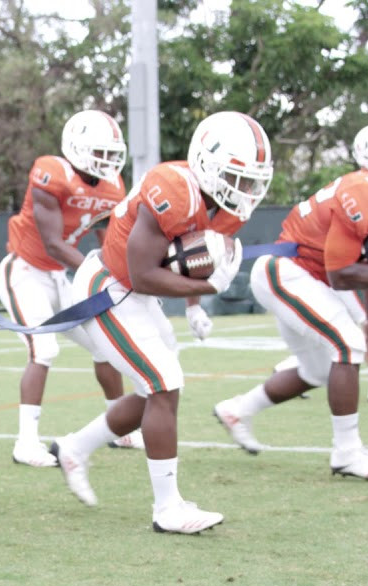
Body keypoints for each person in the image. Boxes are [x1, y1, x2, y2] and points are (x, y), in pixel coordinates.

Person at [49, 111, 267, 534]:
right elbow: (144, 270)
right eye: (236, 177)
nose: (244, 190)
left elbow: (188, 263)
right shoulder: (172, 188)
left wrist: (194, 306)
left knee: (157, 388)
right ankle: (168, 509)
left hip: (138, 293)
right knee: (163, 383)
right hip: (109, 288)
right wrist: (206, 291)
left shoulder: (226, 206)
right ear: (206, 163)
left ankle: (75, 448)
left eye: (251, 180)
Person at [213, 146, 368, 480]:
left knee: (317, 371)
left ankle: (237, 410)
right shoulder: (363, 197)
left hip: (306, 278)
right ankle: (347, 454)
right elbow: (341, 274)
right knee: (347, 346)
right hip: (287, 271)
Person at [0, 109, 144, 468]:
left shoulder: (112, 186)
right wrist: (99, 271)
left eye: (111, 154)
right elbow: (51, 243)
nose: (106, 161)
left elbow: (109, 237)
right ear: (75, 147)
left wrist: (124, 267)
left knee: (104, 346)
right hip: (24, 271)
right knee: (43, 349)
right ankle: (26, 442)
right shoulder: (52, 172)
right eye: (99, 152)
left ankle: (118, 427)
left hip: (59, 278)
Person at [266, 124, 368, 402]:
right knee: (352, 329)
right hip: (324, 266)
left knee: (359, 323)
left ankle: (299, 368)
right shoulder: (367, 189)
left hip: (331, 265)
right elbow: (346, 266)